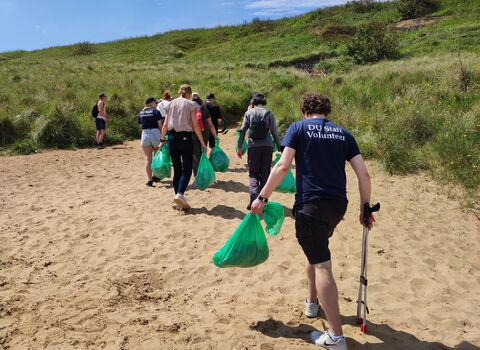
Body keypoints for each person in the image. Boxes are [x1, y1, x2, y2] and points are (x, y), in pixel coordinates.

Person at [251, 93, 374, 350]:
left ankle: (336, 337)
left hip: (311, 205)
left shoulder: (298, 128)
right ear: (326, 111)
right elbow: (364, 173)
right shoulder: (344, 134)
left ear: (305, 110)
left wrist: (262, 197)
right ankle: (312, 302)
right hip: (337, 206)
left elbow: (283, 166)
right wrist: (365, 207)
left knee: (321, 265)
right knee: (315, 253)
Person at [160, 84, 207, 210]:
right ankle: (180, 194)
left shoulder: (170, 104)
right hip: (185, 138)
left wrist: (162, 139)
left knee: (177, 170)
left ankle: (177, 200)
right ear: (189, 93)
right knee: (187, 169)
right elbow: (195, 125)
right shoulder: (190, 104)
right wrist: (202, 142)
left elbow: (165, 124)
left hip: (172, 138)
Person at [236, 93, 282, 209]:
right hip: (267, 147)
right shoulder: (269, 114)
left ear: (253, 103)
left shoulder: (249, 113)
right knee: (265, 173)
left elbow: (242, 131)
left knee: (253, 173)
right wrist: (280, 146)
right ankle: (262, 201)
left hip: (253, 146)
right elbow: (274, 133)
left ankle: (253, 198)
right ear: (264, 103)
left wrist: (240, 147)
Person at [138, 97, 163, 187]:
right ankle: (156, 176)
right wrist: (163, 137)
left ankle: (149, 180)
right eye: (155, 103)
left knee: (148, 159)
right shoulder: (156, 112)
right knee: (157, 157)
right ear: (151, 103)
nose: (156, 104)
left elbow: (141, 125)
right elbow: (160, 126)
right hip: (155, 133)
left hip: (145, 134)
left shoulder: (141, 113)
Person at [191, 92, 217, 176]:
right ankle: (203, 173)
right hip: (204, 133)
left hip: (193, 134)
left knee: (195, 155)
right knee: (203, 152)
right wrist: (216, 136)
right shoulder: (204, 108)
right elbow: (210, 125)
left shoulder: (189, 108)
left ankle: (196, 175)